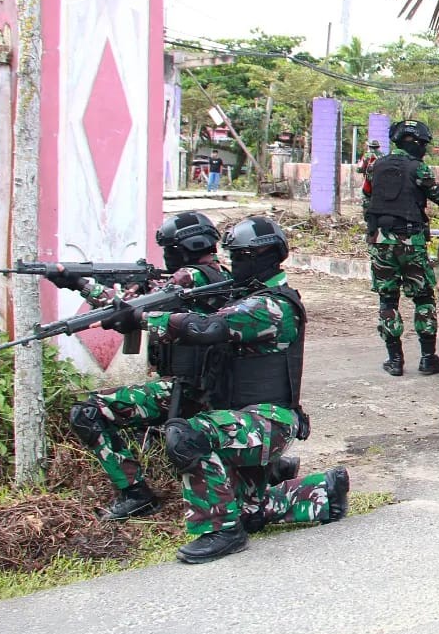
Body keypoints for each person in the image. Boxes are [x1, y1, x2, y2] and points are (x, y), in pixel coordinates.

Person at [113, 216, 349, 564]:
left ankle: (222, 531)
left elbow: (209, 327)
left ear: (261, 256)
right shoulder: (248, 295)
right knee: (249, 511)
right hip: (244, 418)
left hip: (268, 422)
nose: (232, 263)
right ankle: (323, 490)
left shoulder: (270, 306)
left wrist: (145, 319)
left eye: (239, 257)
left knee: (187, 435)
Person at [63, 212, 256, 521]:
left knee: (88, 412)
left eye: (169, 247)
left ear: (185, 246)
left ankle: (135, 493)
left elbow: (127, 310)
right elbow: (133, 307)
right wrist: (86, 283)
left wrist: (83, 284)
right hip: (199, 389)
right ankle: (264, 472)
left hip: (189, 392)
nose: (166, 254)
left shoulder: (190, 280)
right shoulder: (215, 277)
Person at [365, 120, 439, 377]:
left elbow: (367, 201)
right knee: (423, 299)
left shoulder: (375, 166)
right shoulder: (419, 168)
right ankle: (427, 358)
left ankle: (395, 359)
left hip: (380, 241)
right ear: (416, 144)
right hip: (411, 242)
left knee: (388, 300)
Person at [358, 139, 382, 211]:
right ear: (378, 147)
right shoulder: (384, 155)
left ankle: (367, 214)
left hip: (369, 183)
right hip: (381, 183)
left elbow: (359, 169)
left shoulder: (367, 155)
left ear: (370, 147)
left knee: (366, 199)